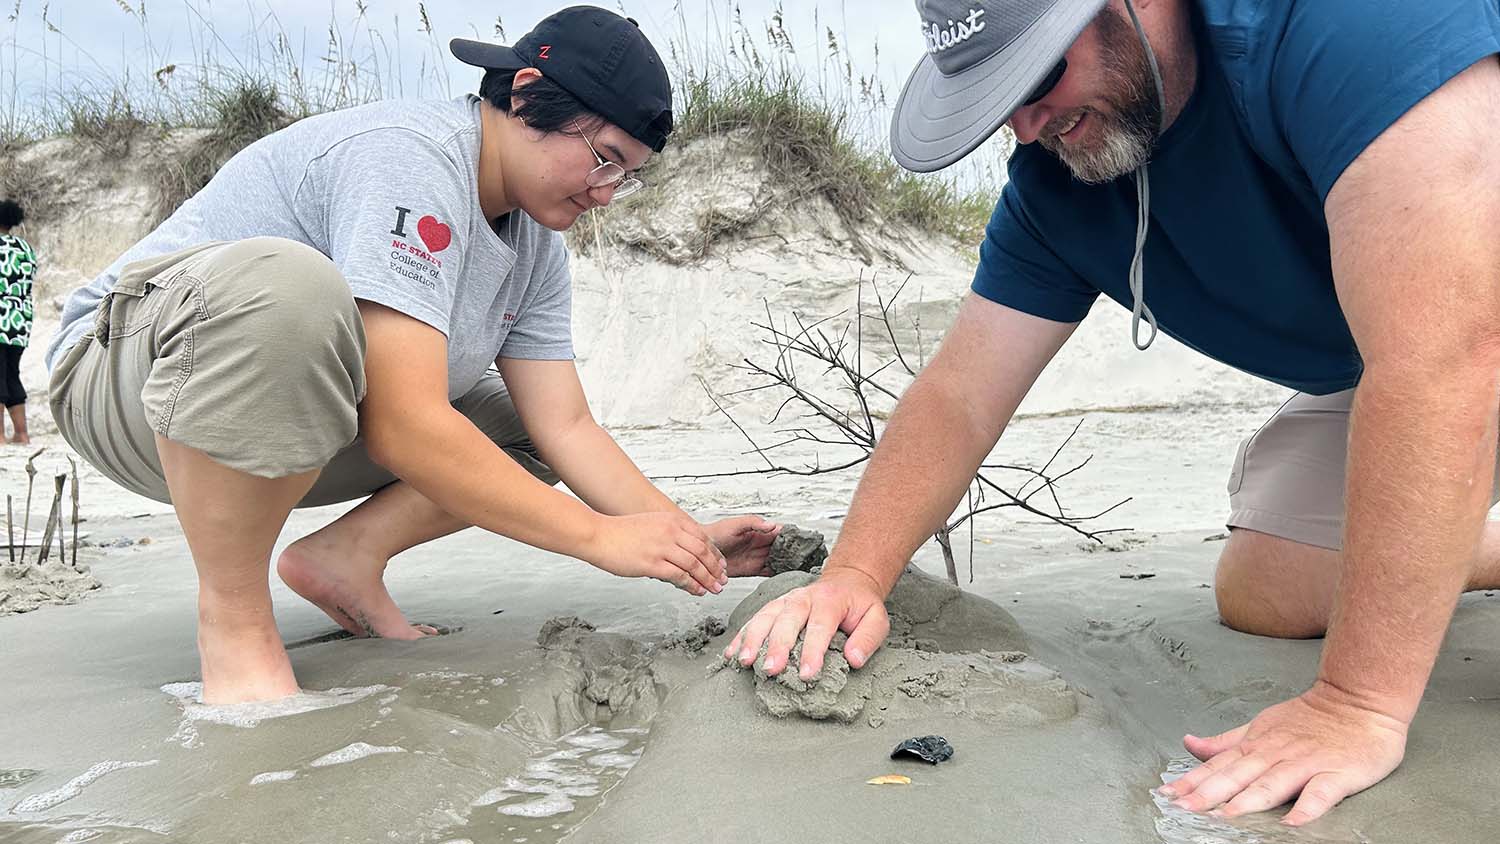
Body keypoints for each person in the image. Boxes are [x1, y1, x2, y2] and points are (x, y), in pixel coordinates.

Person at [729, 0, 1500, 826]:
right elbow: (960, 394)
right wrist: (853, 573)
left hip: (1457, 334)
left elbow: (1447, 356)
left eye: (1038, 74)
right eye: (1000, 98)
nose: (1028, 126)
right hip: (1407, 358)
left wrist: (1357, 704)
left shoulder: (1349, 25)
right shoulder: (1059, 190)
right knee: (1268, 590)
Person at [46, 5, 779, 706]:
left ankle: (345, 559)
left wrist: (685, 539)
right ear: (527, 96)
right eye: (604, 159)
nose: (609, 192)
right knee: (293, 287)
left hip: (288, 427)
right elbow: (404, 426)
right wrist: (595, 539)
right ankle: (235, 623)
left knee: (514, 427)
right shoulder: (413, 157)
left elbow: (567, 427)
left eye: (628, 174)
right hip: (129, 387)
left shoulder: (535, 247)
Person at [0, 199, 34, 444]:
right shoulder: (25, 248)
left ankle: (0, 436)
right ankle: (21, 434)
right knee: (12, 374)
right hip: (20, 323)